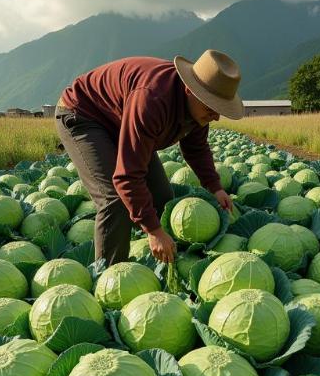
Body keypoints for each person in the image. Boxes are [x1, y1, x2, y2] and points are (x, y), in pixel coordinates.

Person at [54, 50, 243, 264]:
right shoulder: (153, 99)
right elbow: (127, 177)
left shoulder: (199, 109)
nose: (216, 116)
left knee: (162, 195)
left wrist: (215, 187)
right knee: (115, 200)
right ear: (190, 90)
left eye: (219, 108)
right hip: (84, 114)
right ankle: (108, 274)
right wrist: (153, 230)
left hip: (121, 119)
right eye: (211, 107)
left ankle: (166, 260)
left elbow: (196, 148)